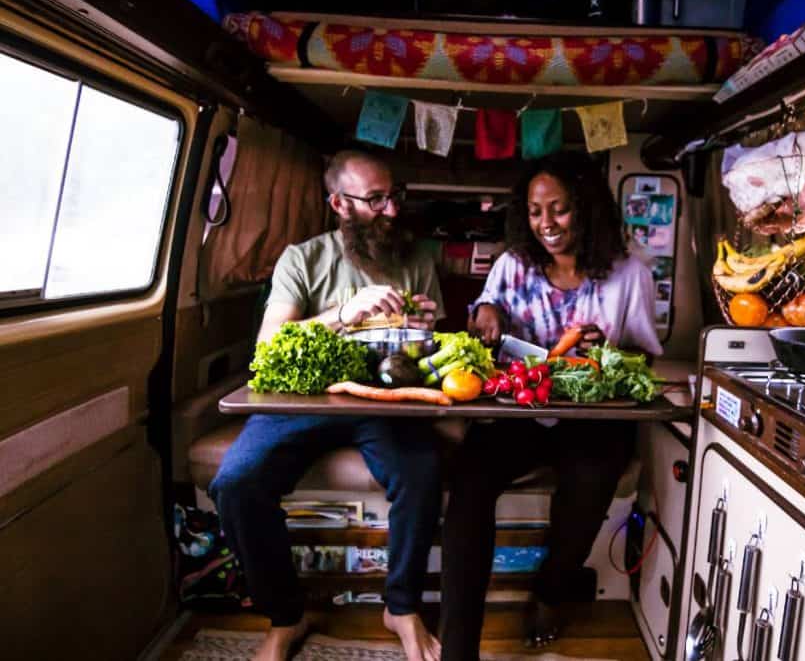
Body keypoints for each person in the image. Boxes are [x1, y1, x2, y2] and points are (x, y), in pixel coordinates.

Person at [209, 151, 445, 661]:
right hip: (301, 399)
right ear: (339, 203)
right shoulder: (303, 258)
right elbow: (270, 345)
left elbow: (429, 350)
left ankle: (401, 607)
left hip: (382, 397)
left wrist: (421, 333)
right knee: (236, 483)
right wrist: (343, 313)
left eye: (394, 197)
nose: (391, 212)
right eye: (375, 200)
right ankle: (285, 617)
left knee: (421, 472)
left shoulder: (419, 258)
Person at [439, 151, 663, 659]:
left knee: (589, 483)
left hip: (593, 416)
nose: (547, 224)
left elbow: (646, 355)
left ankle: (551, 591)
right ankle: (457, 650)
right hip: (518, 408)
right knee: (469, 487)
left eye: (559, 210)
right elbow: (485, 317)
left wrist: (606, 351)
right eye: (536, 212)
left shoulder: (630, 274)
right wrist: (488, 312)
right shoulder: (512, 265)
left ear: (586, 208)